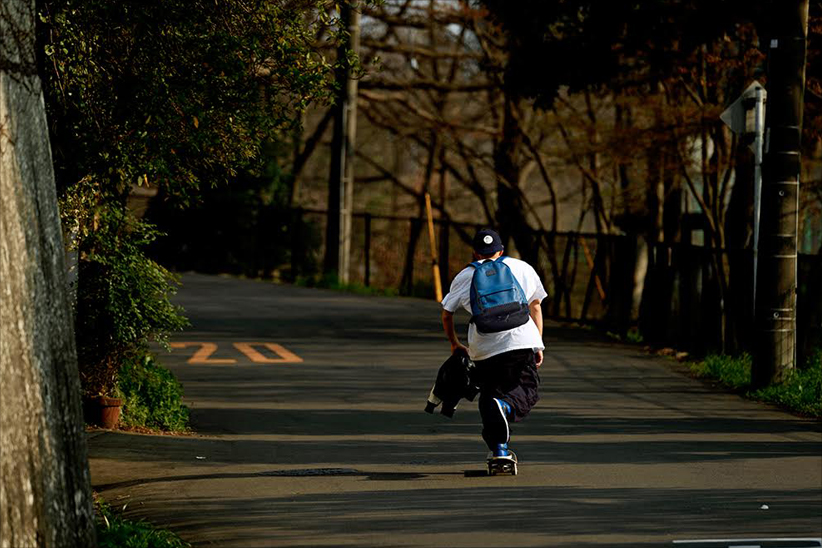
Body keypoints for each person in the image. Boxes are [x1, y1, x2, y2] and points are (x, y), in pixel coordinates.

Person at [440, 228, 546, 460]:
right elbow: (535, 306)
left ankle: (499, 450)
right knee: (524, 390)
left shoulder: (465, 275)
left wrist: (455, 344)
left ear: (475, 253)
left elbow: (447, 313)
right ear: (501, 250)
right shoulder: (522, 268)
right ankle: (507, 408)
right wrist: (537, 344)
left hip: (484, 347)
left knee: (489, 397)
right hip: (522, 341)